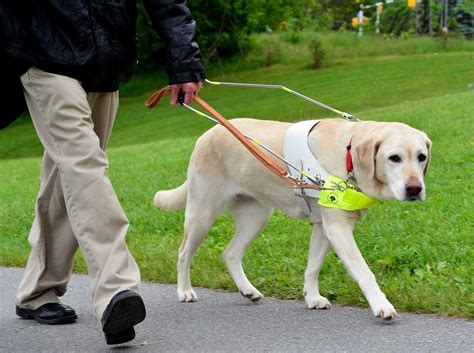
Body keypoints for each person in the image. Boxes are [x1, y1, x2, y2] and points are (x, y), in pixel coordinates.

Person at [0, 0, 205, 345]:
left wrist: (184, 61)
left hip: (104, 61)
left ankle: (38, 289)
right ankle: (116, 289)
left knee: (68, 172)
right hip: (45, 57)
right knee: (85, 167)